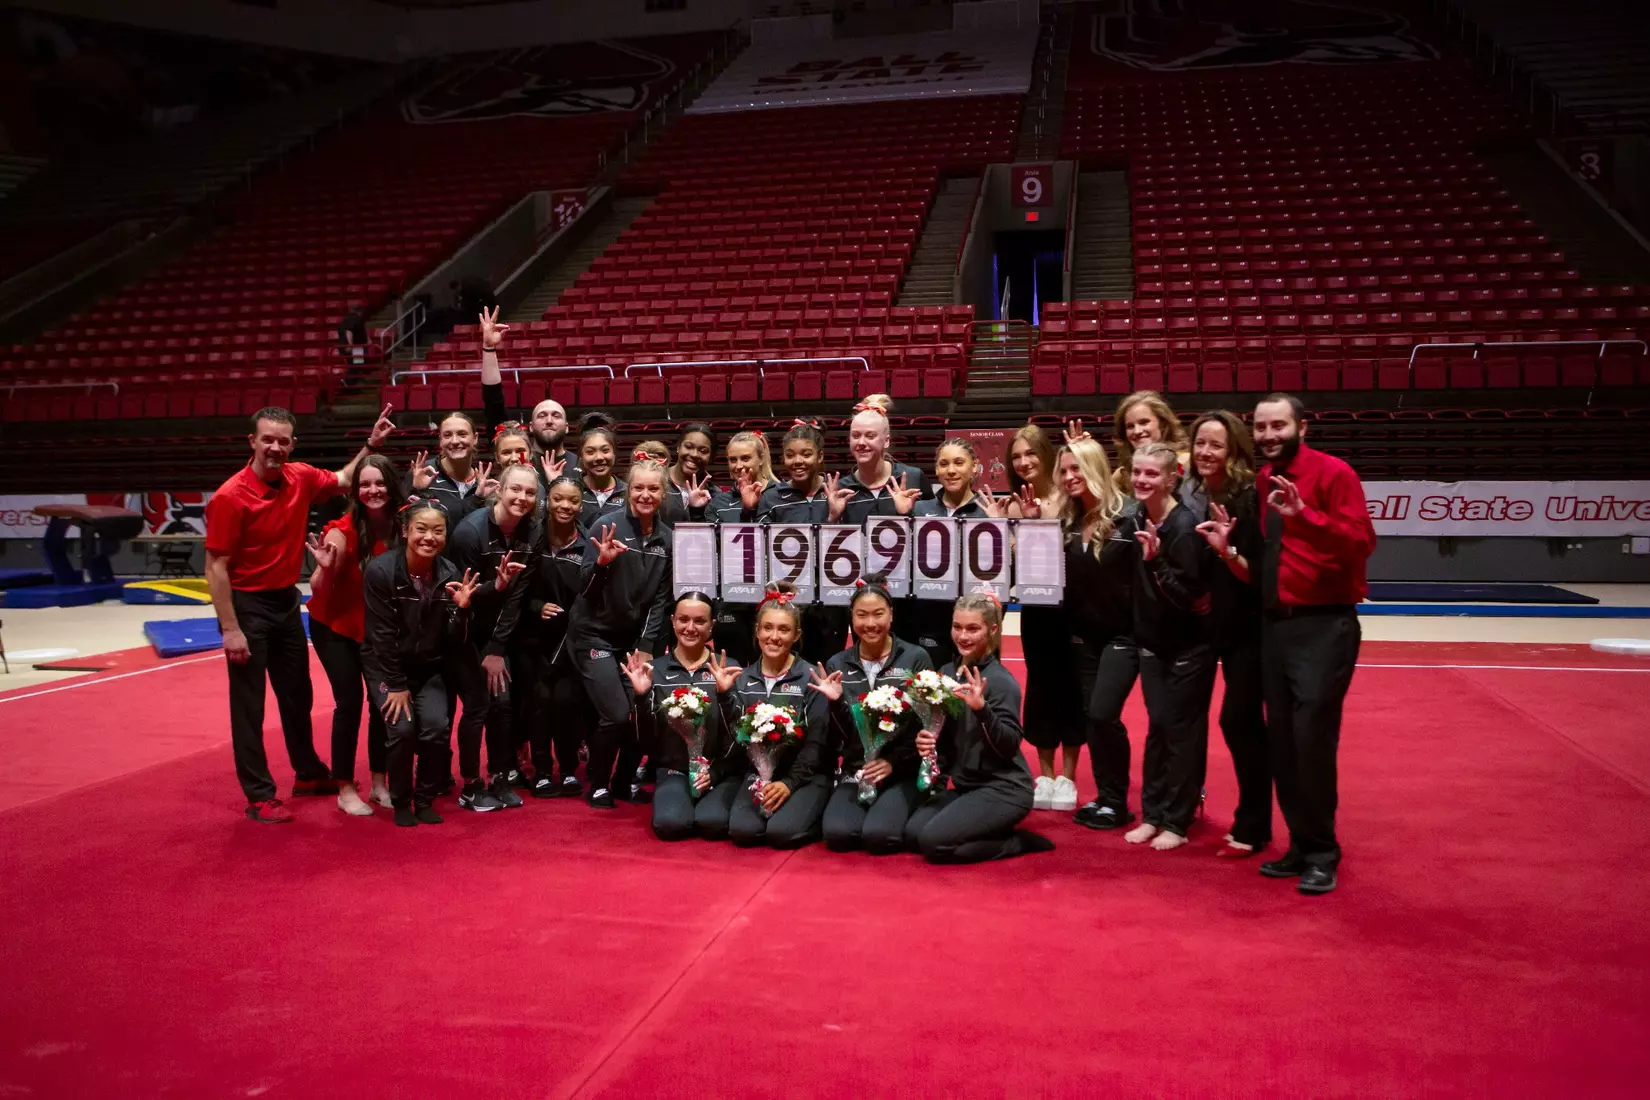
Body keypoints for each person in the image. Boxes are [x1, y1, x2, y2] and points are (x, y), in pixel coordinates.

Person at [204, 403, 395, 823]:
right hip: (248, 606)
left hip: (286, 602)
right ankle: (259, 793)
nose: (275, 447)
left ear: (293, 444)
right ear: (252, 441)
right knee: (250, 705)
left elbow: (346, 480)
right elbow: (215, 567)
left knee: (298, 696)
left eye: (283, 440)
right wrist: (230, 628)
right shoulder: (229, 497)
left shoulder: (301, 476)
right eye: (267, 439)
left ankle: (307, 771)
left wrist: (371, 444)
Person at [1253, 393, 1376, 895]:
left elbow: (1361, 542)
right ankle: (1300, 845)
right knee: (1281, 741)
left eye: (1278, 425)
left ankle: (1324, 850)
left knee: (1311, 742)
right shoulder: (1263, 480)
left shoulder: (1334, 474)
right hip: (1276, 627)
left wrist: (1307, 515)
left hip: (1324, 626)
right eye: (1260, 428)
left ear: (1303, 427)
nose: (1268, 436)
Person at [903, 593, 1053, 863]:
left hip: (1004, 788)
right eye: (957, 627)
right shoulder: (948, 672)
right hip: (966, 786)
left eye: (973, 629)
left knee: (933, 843)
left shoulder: (1001, 682)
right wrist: (928, 743)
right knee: (913, 834)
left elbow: (1008, 746)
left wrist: (981, 710)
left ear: (993, 630)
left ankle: (1016, 842)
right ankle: (987, 824)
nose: (963, 636)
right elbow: (949, 740)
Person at [1119, 442, 1217, 852]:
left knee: (1182, 733)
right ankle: (1153, 814)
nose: (1142, 480)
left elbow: (1192, 599)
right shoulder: (1137, 515)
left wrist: (1156, 561)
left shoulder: (1184, 526)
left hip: (1189, 648)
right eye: (1137, 472)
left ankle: (1177, 819)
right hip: (1152, 644)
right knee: (1158, 728)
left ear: (1172, 477)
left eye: (1151, 474)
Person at [1183, 411, 1271, 858]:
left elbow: (1259, 573)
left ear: (1234, 449)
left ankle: (1254, 824)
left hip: (1251, 629)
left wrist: (1228, 553)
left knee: (1239, 722)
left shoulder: (1248, 498)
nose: (1205, 452)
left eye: (1215, 445)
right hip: (1215, 625)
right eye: (1200, 443)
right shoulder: (1199, 494)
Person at [361, 502, 481, 827]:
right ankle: (401, 800)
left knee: (436, 727)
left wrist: (463, 610)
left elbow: (456, 640)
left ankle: (425, 798)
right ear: (405, 531)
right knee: (401, 730)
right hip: (386, 666)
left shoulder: (451, 573)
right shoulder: (381, 571)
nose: (429, 537)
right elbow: (381, 636)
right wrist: (397, 685)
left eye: (438, 530)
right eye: (421, 529)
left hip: (430, 667)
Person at [566, 457, 674, 807]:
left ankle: (623, 780)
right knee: (615, 713)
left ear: (664, 492)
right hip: (592, 635)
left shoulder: (667, 538)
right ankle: (597, 782)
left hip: (632, 641)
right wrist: (601, 565)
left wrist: (645, 645)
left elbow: (660, 600)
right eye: (638, 487)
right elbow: (584, 588)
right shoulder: (605, 526)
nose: (645, 495)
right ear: (628, 489)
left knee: (641, 711)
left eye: (653, 488)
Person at [305, 454, 403, 816]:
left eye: (379, 483)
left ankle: (380, 783)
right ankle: (345, 787)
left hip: (376, 630)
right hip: (336, 627)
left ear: (391, 486)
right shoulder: (341, 530)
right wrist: (326, 570)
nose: (373, 490)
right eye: (365, 484)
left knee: (381, 707)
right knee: (348, 703)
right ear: (355, 490)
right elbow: (319, 590)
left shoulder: (402, 525)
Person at [814, 574, 934, 853]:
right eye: (861, 615)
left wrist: (894, 762)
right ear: (851, 619)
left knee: (879, 837)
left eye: (878, 614)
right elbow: (840, 736)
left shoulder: (915, 658)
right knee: (838, 835)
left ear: (891, 615)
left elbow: (925, 724)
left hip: (902, 771)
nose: (870, 624)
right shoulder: (838, 663)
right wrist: (835, 705)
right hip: (857, 771)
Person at [1055, 437, 1139, 832]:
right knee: (1092, 717)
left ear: (1096, 470)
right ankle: (1107, 798)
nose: (1070, 477)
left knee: (1105, 714)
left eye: (1078, 469)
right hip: (1082, 638)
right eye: (1064, 470)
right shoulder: (1068, 523)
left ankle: (1117, 800)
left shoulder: (1130, 518)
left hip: (1124, 637)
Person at [448, 462, 539, 811]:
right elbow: (461, 596)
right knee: (477, 707)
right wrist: (495, 587)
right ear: (499, 489)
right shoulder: (469, 534)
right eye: (515, 489)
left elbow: (517, 595)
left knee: (503, 707)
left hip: (499, 635)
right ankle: (471, 785)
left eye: (530, 492)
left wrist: (497, 648)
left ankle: (501, 777)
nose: (522, 497)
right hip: (465, 631)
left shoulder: (532, 531)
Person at [622, 593, 745, 841]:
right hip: (673, 771)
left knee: (713, 823)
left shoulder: (728, 667)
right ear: (672, 621)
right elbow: (643, 740)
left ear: (712, 626)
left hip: (719, 771)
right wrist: (642, 697)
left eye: (700, 621)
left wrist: (724, 696)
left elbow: (739, 735)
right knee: (671, 825)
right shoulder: (653, 671)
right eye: (683, 620)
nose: (690, 628)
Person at [1005, 425, 1081, 811]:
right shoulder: (1014, 506)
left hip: (1073, 610)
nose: (1023, 462)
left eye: (1030, 454)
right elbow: (1015, 570)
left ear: (1046, 454)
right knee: (1041, 688)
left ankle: (1068, 776)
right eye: (1016, 456)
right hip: (1036, 611)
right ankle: (1045, 774)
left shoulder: (1071, 495)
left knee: (1071, 687)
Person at [722, 583, 832, 847]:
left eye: (784, 629)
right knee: (743, 832)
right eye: (767, 628)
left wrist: (789, 783)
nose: (774, 636)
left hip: (804, 776)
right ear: (757, 631)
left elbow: (817, 743)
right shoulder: (743, 678)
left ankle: (820, 809)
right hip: (758, 775)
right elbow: (734, 738)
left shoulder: (811, 679)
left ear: (796, 635)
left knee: (780, 833)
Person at [753, 419, 854, 662]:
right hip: (789, 601)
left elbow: (848, 548)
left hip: (830, 602)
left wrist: (833, 517)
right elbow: (760, 546)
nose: (798, 461)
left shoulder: (837, 492)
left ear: (819, 456)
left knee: (830, 665)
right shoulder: (772, 497)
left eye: (806, 454)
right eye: (790, 455)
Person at [517, 476, 589, 799]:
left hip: (570, 644)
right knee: (539, 704)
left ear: (581, 505)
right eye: (558, 499)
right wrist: (535, 607)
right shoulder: (532, 540)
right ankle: (543, 771)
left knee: (567, 704)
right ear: (548, 501)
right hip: (533, 641)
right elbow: (517, 591)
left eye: (572, 500)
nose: (565, 506)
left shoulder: (588, 545)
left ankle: (570, 769)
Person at [906, 437, 1002, 668]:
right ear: (936, 470)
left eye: (959, 462)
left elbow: (1002, 576)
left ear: (974, 467)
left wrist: (1001, 528)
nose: (951, 470)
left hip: (975, 629)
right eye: (944, 464)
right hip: (929, 625)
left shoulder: (989, 511)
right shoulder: (919, 509)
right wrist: (902, 518)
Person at [706, 430, 777, 664]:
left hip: (771, 600)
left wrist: (751, 511)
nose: (738, 465)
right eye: (732, 459)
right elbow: (712, 551)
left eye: (745, 458)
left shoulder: (782, 495)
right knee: (732, 671)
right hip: (731, 601)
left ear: (761, 458)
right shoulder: (718, 502)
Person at [838, 393, 928, 522]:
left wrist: (907, 514)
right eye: (856, 436)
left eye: (870, 436)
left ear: (886, 441)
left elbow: (931, 530)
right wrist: (832, 517)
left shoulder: (914, 478)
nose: (861, 443)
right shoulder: (842, 489)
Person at [1111, 390, 1188, 493]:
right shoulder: (1123, 475)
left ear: (1162, 424)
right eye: (1130, 426)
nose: (1137, 431)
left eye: (1144, 422)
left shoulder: (1185, 463)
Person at [664, 423, 716, 523]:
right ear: (678, 447)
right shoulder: (656, 482)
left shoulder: (714, 495)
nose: (694, 454)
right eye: (688, 447)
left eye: (703, 451)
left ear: (711, 457)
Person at [576, 425, 625, 529]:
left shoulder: (628, 493)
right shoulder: (572, 491)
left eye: (605, 450)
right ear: (581, 457)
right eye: (590, 452)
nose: (599, 457)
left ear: (614, 455)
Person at [336, 302, 368, 375]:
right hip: (355, 347)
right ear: (360, 312)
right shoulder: (355, 319)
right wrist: (350, 344)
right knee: (356, 365)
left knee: (354, 365)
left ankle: (350, 381)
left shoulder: (345, 319)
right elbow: (349, 331)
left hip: (348, 346)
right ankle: (348, 381)